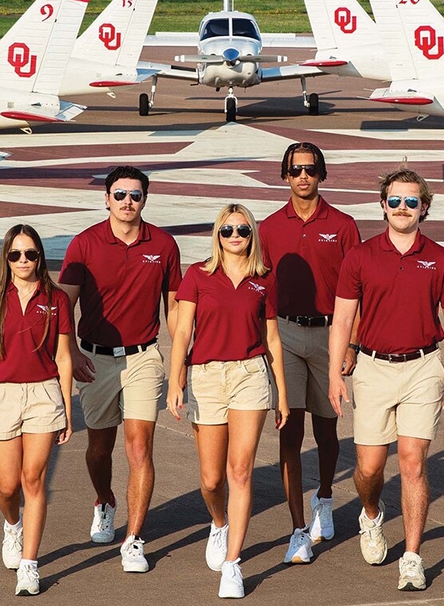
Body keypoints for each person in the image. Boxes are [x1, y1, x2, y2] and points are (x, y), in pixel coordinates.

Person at [328, 167, 444, 592]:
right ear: (382, 205)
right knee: (369, 467)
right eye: (395, 201)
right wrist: (336, 373)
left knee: (412, 461)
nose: (402, 208)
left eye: (411, 201)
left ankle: (412, 556)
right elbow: (341, 320)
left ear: (424, 207)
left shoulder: (442, 258)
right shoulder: (361, 256)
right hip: (372, 368)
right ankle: (371, 515)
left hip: (424, 368)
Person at [58, 165, 181, 573]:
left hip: (144, 358)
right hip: (96, 359)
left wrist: (181, 359)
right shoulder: (84, 244)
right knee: (99, 449)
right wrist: (72, 352)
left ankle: (134, 539)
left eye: (136, 195)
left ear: (145, 199)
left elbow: (176, 309)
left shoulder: (163, 245)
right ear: (106, 199)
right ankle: (105, 501)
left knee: (139, 447)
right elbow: (63, 308)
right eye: (121, 194)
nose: (128, 202)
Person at [167, 203, 291, 599]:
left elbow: (272, 338)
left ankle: (233, 564)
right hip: (205, 378)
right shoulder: (198, 276)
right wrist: (176, 380)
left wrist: (282, 395)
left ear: (252, 234)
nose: (235, 236)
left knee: (240, 472)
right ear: (217, 235)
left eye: (242, 230)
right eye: (227, 230)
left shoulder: (264, 280)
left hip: (250, 376)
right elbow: (183, 331)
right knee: (211, 479)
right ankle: (218, 522)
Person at [258, 142, 360, 564]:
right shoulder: (266, 227)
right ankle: (298, 527)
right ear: (284, 175)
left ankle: (325, 495)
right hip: (283, 334)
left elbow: (359, 287)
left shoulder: (343, 225)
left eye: (311, 169)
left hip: (329, 334)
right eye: (296, 169)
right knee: (289, 429)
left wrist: (352, 341)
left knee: (326, 429)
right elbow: (258, 286)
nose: (304, 176)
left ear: (322, 175)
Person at [0, 224, 75, 597]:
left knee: (34, 479)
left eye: (30, 254)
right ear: (6, 258)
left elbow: (63, 357)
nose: (24, 260)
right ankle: (12, 525)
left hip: (45, 395)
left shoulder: (57, 299)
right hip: (1, 396)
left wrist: (66, 407)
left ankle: (30, 564)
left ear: (40, 256)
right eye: (16, 255)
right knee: (7, 486)